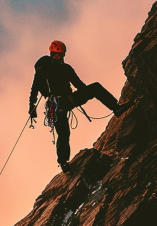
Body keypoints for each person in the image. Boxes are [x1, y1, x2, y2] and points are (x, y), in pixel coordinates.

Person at [28, 40, 132, 172]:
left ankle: (116, 108)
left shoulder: (65, 68)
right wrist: (31, 107)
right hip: (57, 104)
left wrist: (86, 92)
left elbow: (78, 84)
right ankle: (63, 162)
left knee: (95, 87)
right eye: (57, 55)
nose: (59, 57)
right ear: (52, 53)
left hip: (67, 100)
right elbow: (35, 88)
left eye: (61, 55)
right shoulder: (45, 69)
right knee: (64, 132)